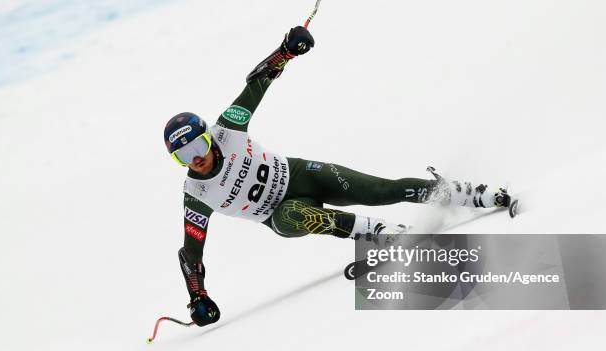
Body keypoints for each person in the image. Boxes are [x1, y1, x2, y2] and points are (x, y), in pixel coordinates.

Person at [163, 26, 511, 326]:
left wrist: (287, 50)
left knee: (380, 190)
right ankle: (380, 233)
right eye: (184, 156)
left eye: (199, 147)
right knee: (293, 214)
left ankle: (466, 194)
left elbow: (259, 81)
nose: (197, 160)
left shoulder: (229, 127)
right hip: (281, 216)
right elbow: (191, 253)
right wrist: (198, 297)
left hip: (302, 176)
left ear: (209, 136)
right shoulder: (196, 194)